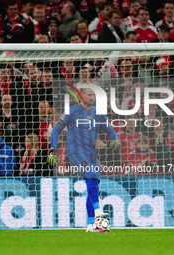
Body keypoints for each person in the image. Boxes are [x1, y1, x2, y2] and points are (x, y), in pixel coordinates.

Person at [48, 87, 121, 232]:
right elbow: (56, 130)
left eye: (94, 95)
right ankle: (98, 212)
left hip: (91, 153)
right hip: (75, 151)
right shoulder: (72, 111)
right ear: (81, 96)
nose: (93, 97)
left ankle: (90, 224)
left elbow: (108, 128)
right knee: (91, 175)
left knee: (92, 184)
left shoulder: (97, 112)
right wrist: (53, 150)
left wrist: (115, 138)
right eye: (90, 94)